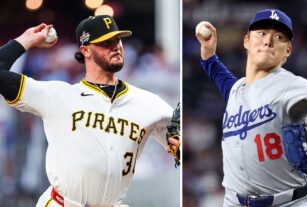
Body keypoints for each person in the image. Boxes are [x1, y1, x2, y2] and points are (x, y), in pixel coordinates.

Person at [0, 15, 180, 207]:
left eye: (117, 39)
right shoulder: (58, 95)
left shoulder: (149, 104)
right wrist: (25, 41)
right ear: (85, 50)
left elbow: (180, 145)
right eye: (105, 42)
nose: (116, 46)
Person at [195, 9, 307, 206]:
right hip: (234, 202)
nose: (268, 41)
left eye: (278, 37)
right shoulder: (237, 89)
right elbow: (222, 78)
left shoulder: (294, 86)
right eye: (262, 33)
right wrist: (209, 56)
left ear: (287, 50)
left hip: (290, 202)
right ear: (246, 41)